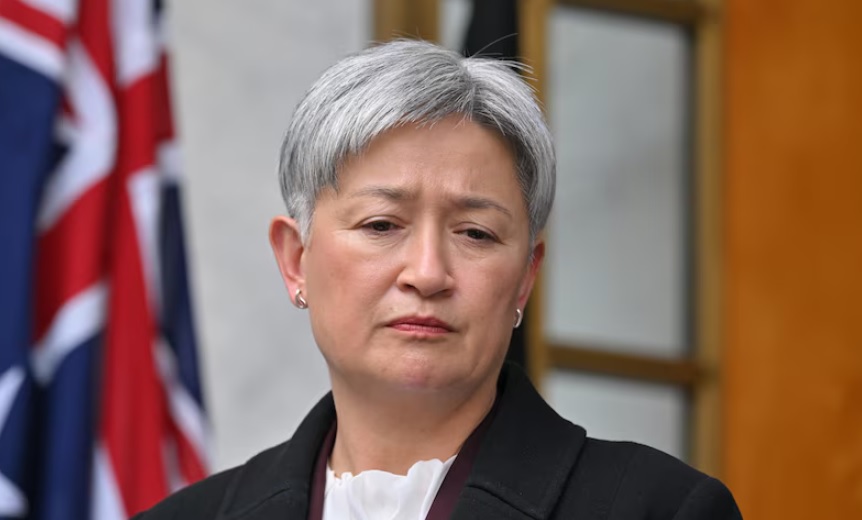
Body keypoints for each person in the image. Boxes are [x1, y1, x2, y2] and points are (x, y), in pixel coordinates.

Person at [133, 39, 742, 519]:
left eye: (475, 233)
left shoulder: (661, 509)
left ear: (525, 279)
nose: (427, 274)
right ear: (296, 261)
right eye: (381, 224)